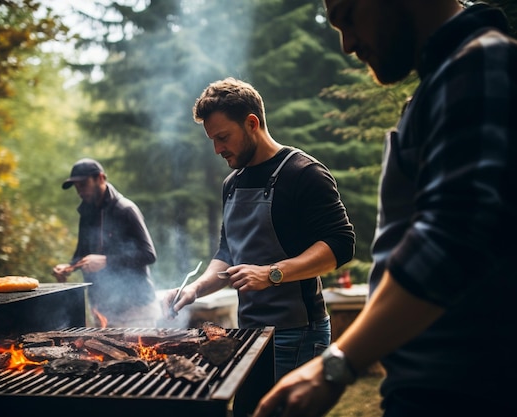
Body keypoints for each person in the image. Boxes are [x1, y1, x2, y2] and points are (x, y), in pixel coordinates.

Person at [253, 1, 517, 416]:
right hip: (434, 387)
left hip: (471, 391)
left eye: (349, 16)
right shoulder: (443, 82)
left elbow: (453, 239)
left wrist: (334, 366)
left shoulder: (481, 62)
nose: (346, 44)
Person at [163, 77, 355, 382]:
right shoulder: (233, 183)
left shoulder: (304, 173)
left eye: (223, 137)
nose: (217, 149)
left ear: (252, 123)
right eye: (212, 139)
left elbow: (340, 245)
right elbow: (227, 254)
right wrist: (194, 289)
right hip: (249, 334)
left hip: (298, 334)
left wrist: (271, 274)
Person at [53, 158, 160, 328]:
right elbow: (82, 253)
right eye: (76, 186)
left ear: (100, 178)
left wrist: (106, 261)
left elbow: (148, 255)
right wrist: (68, 267)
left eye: (83, 184)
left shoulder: (125, 209)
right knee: (105, 355)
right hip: (102, 309)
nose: (79, 191)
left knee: (137, 355)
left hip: (135, 310)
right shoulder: (86, 213)